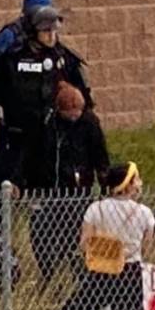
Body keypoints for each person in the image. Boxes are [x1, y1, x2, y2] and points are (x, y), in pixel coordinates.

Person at [0, 6, 91, 201]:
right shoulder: (12, 60)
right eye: (46, 31)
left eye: (54, 30)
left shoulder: (64, 59)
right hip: (15, 139)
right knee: (6, 194)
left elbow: (84, 101)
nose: (51, 35)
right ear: (33, 31)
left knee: (50, 196)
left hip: (52, 141)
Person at [57, 162, 155, 310]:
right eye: (136, 179)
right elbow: (146, 248)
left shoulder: (96, 209)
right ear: (128, 185)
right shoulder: (145, 214)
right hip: (130, 273)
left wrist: (105, 247)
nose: (140, 183)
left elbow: (84, 243)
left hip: (102, 271)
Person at [29, 83, 111, 286]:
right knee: (40, 232)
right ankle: (49, 272)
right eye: (69, 114)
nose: (74, 117)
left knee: (76, 236)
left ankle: (80, 276)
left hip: (78, 191)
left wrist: (104, 183)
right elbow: (35, 153)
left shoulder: (89, 123)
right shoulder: (49, 123)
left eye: (77, 113)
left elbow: (100, 155)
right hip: (50, 190)